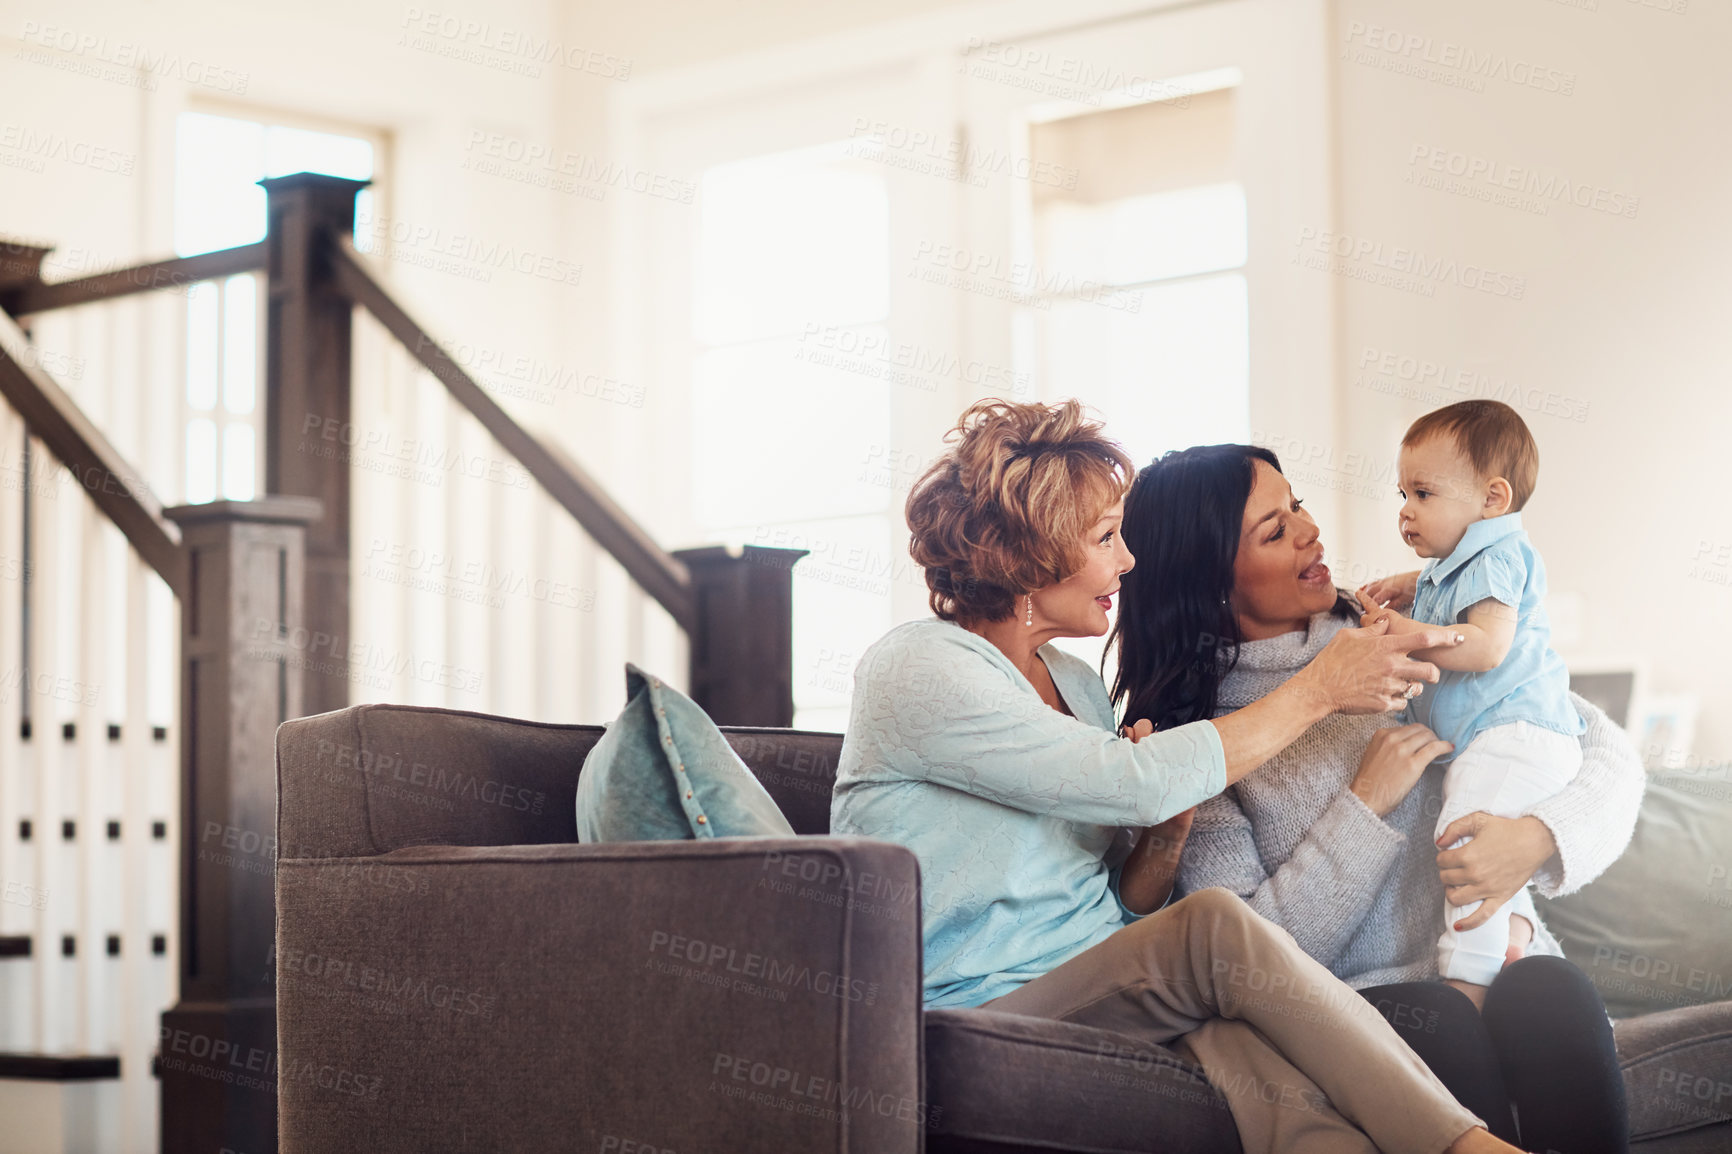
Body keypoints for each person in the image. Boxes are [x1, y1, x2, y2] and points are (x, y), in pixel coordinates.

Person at [832, 398, 1523, 1154]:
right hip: (975, 1003)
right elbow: (1135, 780)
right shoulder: (920, 668)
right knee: (1215, 924)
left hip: (1106, 983)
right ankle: (1470, 1149)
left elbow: (1116, 905)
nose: (1127, 561)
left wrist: (1162, 845)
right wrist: (1322, 688)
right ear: (1025, 553)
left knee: (1276, 1084)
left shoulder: (1074, 682)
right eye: (1103, 538)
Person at [1111, 440, 1641, 1153]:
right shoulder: (1199, 743)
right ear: (1210, 584)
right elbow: (1244, 960)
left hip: (1501, 967)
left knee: (1555, 991)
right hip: (1355, 1015)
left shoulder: (1402, 630)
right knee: (1436, 1017)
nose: (1310, 530)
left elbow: (1598, 746)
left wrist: (1541, 838)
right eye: (1274, 530)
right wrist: (1363, 808)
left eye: (1295, 504)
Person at [1355, 400, 1586, 1004]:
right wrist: (1415, 583)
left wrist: (1404, 635)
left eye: (1424, 494)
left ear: (1492, 499)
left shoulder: (1500, 556)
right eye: (1403, 494)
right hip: (1507, 740)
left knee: (1465, 846)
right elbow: (1456, 589)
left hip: (1516, 738)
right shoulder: (1467, 562)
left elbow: (1484, 647)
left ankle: (1467, 989)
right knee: (1481, 846)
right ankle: (1512, 938)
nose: (1406, 512)